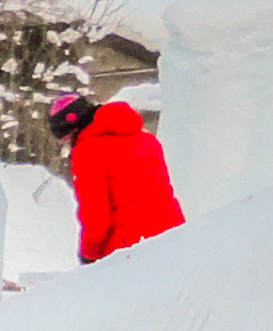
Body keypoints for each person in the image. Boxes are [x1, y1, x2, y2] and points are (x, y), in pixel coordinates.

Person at [52, 90, 186, 262]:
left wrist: (89, 253)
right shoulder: (146, 138)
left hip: (131, 247)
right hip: (174, 233)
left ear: (73, 128)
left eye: (65, 138)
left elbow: (95, 214)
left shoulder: (88, 152)